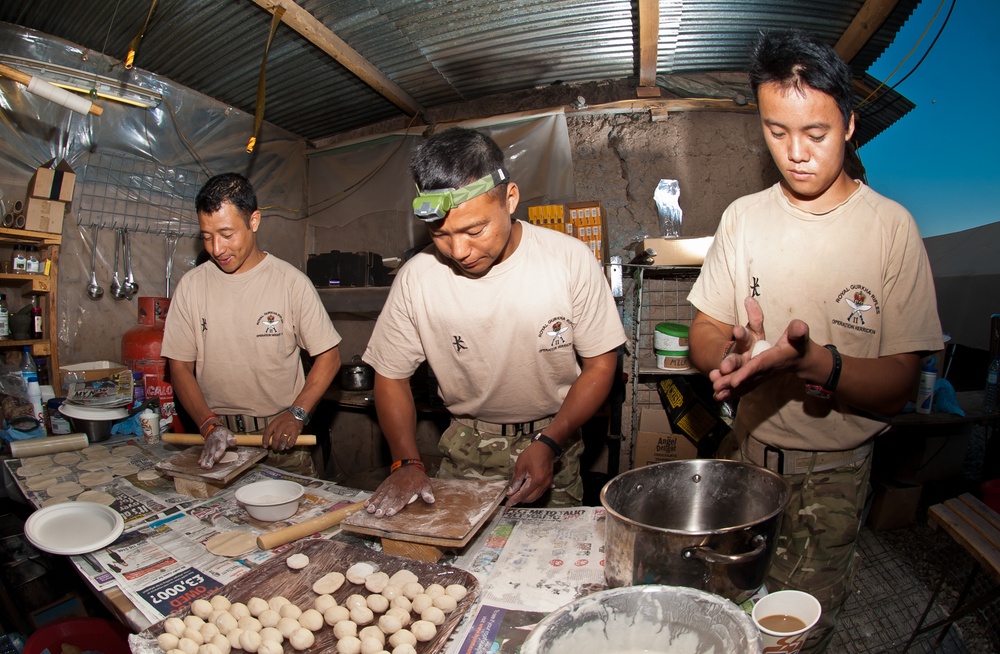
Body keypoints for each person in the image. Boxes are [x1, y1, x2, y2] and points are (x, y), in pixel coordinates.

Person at [687, 30, 942, 652]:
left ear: (850, 125)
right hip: (748, 452)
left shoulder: (890, 229)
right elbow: (705, 329)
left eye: (816, 133)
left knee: (800, 631)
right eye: (777, 132)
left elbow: (900, 384)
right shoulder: (743, 217)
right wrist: (732, 353)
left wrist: (814, 363)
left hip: (835, 475)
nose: (796, 152)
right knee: (729, 608)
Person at [362, 127, 625, 517]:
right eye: (441, 233)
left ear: (510, 198)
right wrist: (407, 463)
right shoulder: (418, 278)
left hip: (555, 439)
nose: (460, 251)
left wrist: (550, 443)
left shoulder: (568, 260)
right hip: (466, 448)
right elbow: (390, 375)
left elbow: (602, 364)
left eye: (475, 230)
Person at [162, 173, 342, 475]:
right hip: (216, 438)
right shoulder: (192, 286)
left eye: (227, 234)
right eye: (207, 236)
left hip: (279, 440)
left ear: (254, 221)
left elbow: (329, 357)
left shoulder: (290, 283)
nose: (216, 248)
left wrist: (297, 414)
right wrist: (208, 424)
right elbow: (179, 366)